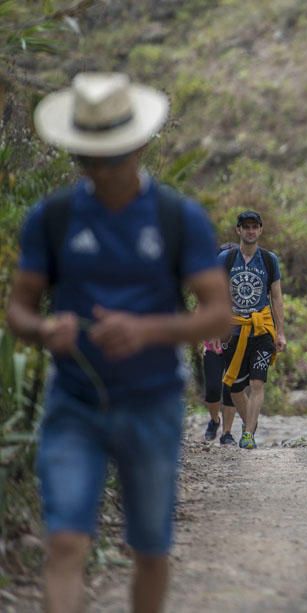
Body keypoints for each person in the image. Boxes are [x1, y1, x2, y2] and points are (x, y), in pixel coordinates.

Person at [5, 72, 231, 613]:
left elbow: (219, 314)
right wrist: (42, 330)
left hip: (152, 402)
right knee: (64, 541)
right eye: (89, 159)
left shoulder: (179, 218)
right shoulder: (53, 218)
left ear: (138, 145)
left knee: (150, 549)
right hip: (74, 402)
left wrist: (147, 330)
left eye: (112, 157)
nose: (101, 171)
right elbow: (19, 308)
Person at [219, 210, 286, 450]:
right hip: (233, 329)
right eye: (245, 227)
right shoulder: (225, 260)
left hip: (261, 328)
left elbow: (276, 298)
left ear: (260, 230)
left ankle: (247, 434)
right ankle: (251, 425)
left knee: (258, 382)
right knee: (235, 387)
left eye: (254, 226)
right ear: (238, 230)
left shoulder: (269, 260)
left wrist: (280, 332)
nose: (250, 231)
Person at [203, 243, 240, 445]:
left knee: (231, 387)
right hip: (212, 344)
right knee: (212, 389)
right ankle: (214, 420)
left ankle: (227, 433)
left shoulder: (243, 282)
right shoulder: (209, 286)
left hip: (237, 340)